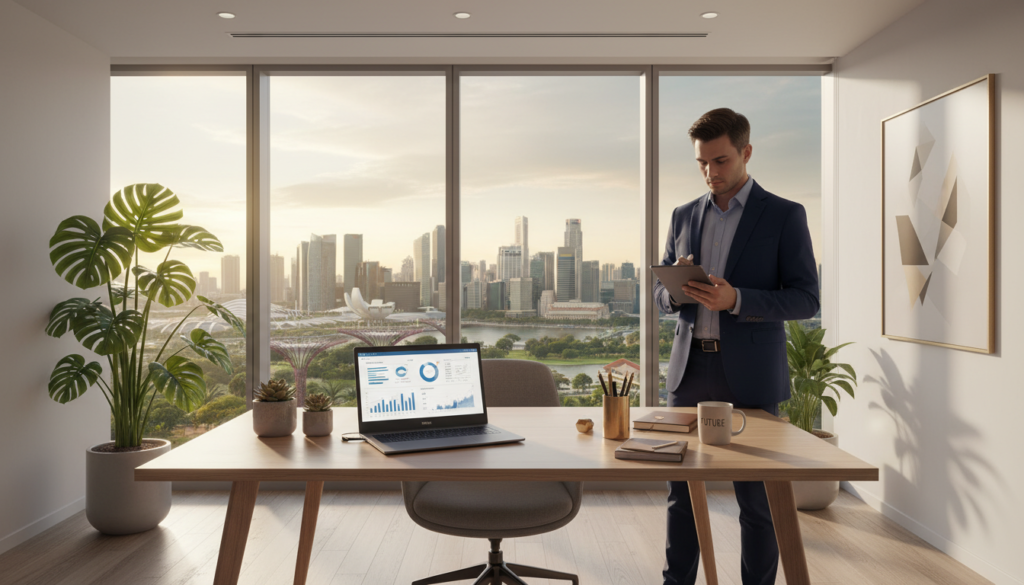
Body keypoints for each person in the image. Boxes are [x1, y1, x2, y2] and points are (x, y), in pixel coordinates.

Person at [653, 108, 819, 585]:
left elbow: (806, 298)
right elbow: (661, 292)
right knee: (680, 496)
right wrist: (674, 290)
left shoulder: (785, 215)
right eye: (702, 163)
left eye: (721, 161)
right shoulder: (684, 215)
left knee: (758, 501)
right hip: (689, 373)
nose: (711, 173)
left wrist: (737, 299)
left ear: (746, 153)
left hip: (749, 375)